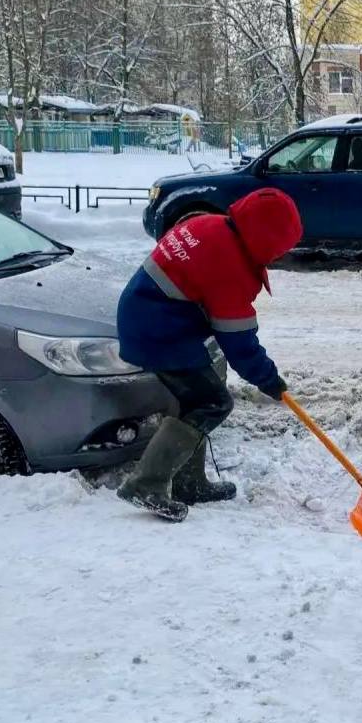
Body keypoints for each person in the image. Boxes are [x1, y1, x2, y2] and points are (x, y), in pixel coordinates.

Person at [115, 188, 303, 522]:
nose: (279, 256)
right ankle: (145, 484)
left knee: (196, 401)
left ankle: (190, 484)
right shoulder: (230, 265)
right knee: (213, 402)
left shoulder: (213, 225)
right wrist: (269, 379)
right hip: (158, 331)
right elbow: (239, 343)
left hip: (150, 317)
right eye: (280, 248)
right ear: (266, 240)